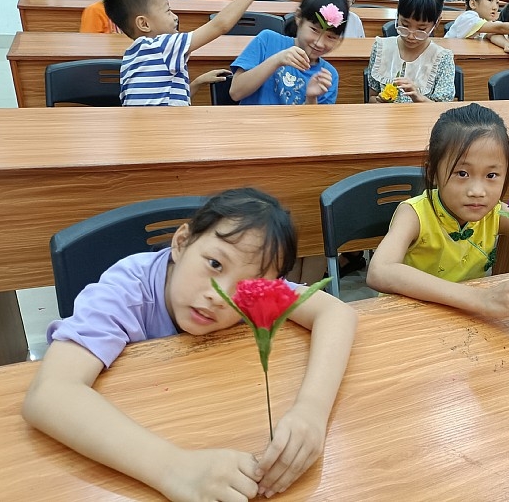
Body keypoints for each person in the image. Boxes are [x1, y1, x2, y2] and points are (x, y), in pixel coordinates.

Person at [22, 188, 358, 501]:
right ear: (181, 242)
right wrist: (175, 468)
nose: (219, 296)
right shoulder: (125, 292)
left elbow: (336, 313)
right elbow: (50, 393)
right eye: (214, 264)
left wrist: (311, 411)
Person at [367, 103, 509, 335]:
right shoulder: (414, 213)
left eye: (491, 175)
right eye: (462, 173)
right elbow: (380, 271)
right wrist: (481, 298)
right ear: (433, 172)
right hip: (405, 322)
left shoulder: (497, 213)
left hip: (463, 322)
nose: (477, 191)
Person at [104, 0, 278, 106]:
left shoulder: (130, 58)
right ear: (144, 24)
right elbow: (220, 25)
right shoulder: (163, 46)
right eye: (167, 10)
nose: (175, 17)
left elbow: (166, 100)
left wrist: (197, 83)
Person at [229, 0, 348, 105]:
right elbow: (236, 92)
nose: (320, 43)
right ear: (298, 16)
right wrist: (277, 60)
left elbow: (314, 118)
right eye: (314, 30)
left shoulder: (328, 76)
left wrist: (311, 99)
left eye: (331, 37)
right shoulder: (267, 40)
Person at [367, 0, 456, 102]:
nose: (410, 36)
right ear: (397, 15)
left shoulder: (442, 59)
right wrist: (380, 102)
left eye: (421, 29)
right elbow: (371, 97)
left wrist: (420, 99)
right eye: (405, 25)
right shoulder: (381, 48)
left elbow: (442, 109)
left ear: (436, 23)